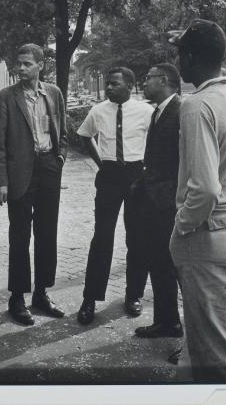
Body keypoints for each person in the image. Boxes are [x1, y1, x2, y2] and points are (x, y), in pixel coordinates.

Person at [0, 43, 67, 326]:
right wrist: (1, 182)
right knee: (20, 237)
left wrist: (59, 157)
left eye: (26, 64)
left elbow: (63, 130)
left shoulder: (53, 93)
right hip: (20, 175)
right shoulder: (6, 98)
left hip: (48, 169)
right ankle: (17, 298)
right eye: (18, 64)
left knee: (47, 234)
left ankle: (42, 294)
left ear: (40, 65)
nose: (20, 69)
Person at [168, 19, 226, 382]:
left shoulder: (197, 105)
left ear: (190, 58)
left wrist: (182, 226)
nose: (177, 63)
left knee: (212, 350)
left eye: (179, 55)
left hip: (205, 234)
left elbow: (204, 188)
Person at [76, 66, 153, 326]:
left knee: (138, 237)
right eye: (107, 83)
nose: (108, 88)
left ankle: (133, 295)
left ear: (129, 86)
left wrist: (146, 168)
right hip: (109, 175)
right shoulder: (98, 111)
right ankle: (90, 298)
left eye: (114, 84)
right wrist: (101, 163)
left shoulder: (146, 112)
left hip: (137, 176)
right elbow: (85, 137)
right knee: (102, 238)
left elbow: (156, 143)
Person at [134, 63, 183, 338]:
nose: (144, 82)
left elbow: (182, 162)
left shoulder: (180, 112)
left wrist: (168, 196)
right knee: (159, 262)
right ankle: (168, 322)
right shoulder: (160, 111)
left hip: (169, 204)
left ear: (163, 80)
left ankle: (188, 333)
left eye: (148, 78)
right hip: (154, 202)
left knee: (174, 266)